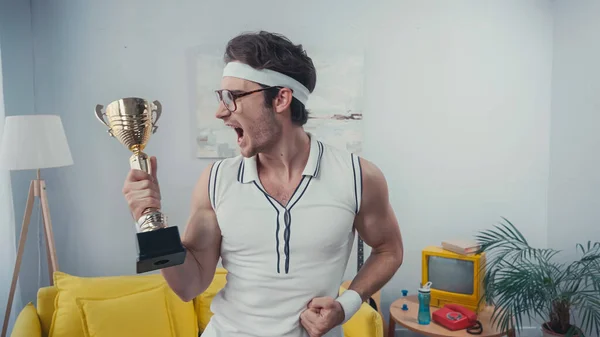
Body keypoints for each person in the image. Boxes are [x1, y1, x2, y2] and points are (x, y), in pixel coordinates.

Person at [122, 31, 404, 337]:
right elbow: (188, 286)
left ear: (281, 98)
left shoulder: (358, 176)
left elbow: (389, 250)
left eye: (232, 97)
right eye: (220, 97)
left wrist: (347, 304)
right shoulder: (215, 181)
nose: (220, 112)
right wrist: (148, 220)